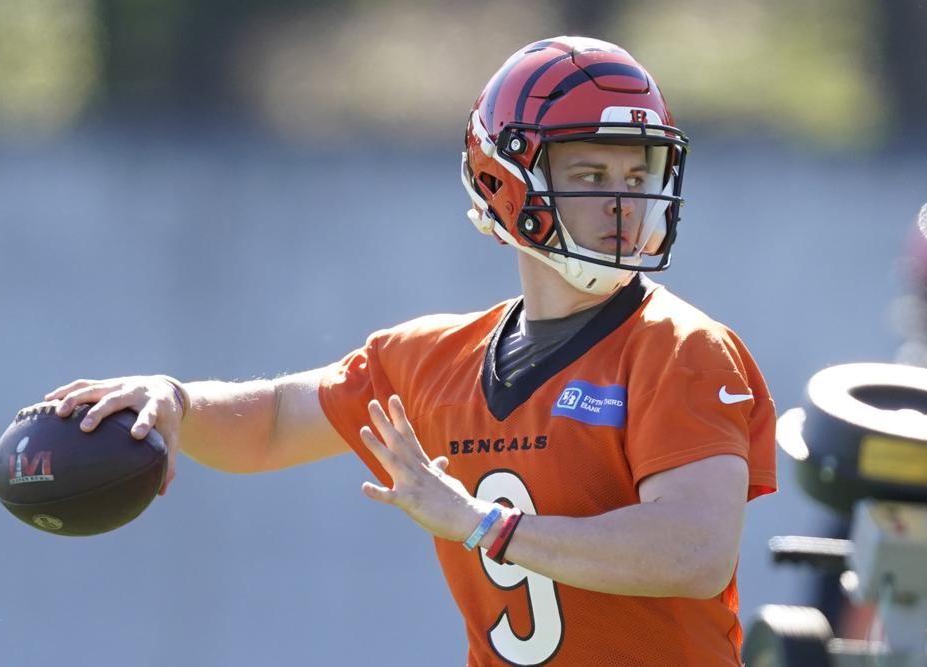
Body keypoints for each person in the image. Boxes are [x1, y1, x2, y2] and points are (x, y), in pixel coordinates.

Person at [45, 36, 777, 666]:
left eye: (638, 175)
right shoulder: (433, 360)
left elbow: (694, 550)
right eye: (591, 176)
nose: (625, 203)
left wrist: (485, 524)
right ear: (505, 182)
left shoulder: (681, 348)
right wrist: (176, 401)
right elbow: (273, 421)